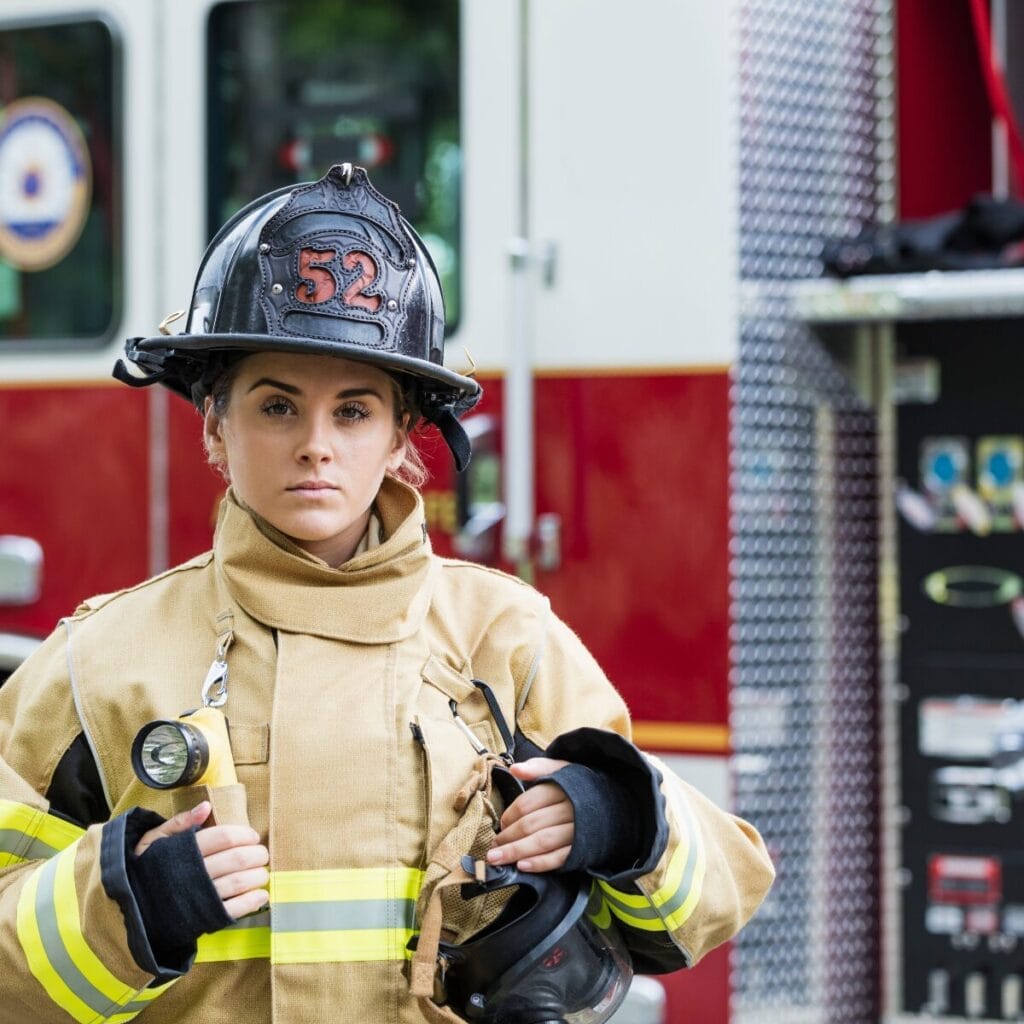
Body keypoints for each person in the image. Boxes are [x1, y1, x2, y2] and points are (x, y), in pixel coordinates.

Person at [0, 164, 774, 1024]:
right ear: (215, 422)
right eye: (278, 407)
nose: (317, 447)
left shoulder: (503, 639)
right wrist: (128, 905)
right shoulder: (100, 661)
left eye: (355, 411)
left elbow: (724, 889)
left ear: (404, 431)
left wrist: (614, 817)